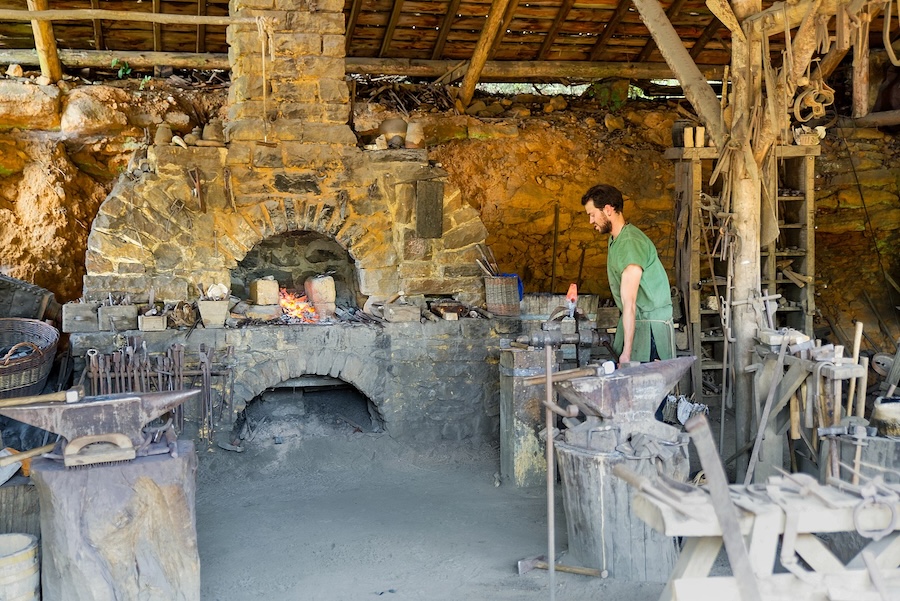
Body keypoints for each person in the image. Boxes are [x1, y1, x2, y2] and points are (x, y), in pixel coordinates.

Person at [581, 184, 674, 365]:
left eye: (592, 214)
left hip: (650, 330)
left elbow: (630, 303)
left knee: (647, 390)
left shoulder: (630, 243)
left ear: (608, 210)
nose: (591, 221)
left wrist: (627, 353)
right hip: (638, 324)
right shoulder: (616, 239)